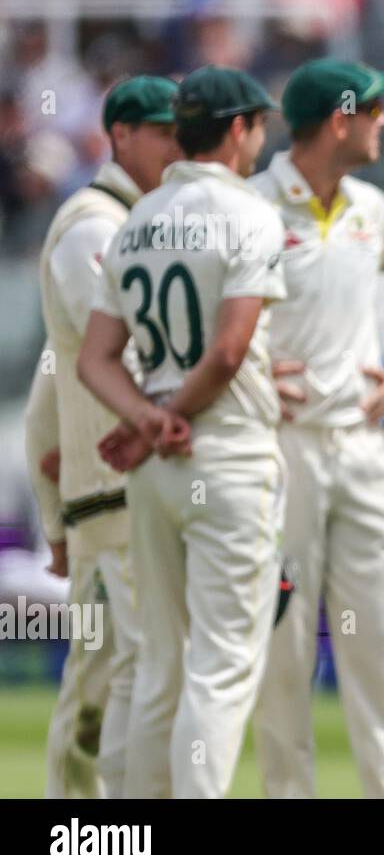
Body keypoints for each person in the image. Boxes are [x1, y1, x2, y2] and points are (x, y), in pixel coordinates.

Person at [78, 65, 287, 798]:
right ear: (238, 130)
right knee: (221, 669)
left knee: (162, 666)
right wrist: (171, 416)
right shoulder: (250, 213)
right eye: (259, 125)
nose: (262, 138)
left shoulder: (136, 219)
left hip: (157, 468)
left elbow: (95, 359)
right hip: (225, 454)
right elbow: (228, 352)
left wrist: (144, 420)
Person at [250, 58, 384, 798]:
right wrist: (245, 378)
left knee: (381, 656)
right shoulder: (253, 207)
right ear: (340, 119)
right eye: (373, 109)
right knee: (282, 654)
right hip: (281, 457)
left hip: (366, 455)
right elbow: (208, 322)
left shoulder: (371, 207)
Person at [27, 75, 180, 797]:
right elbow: (106, 361)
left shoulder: (144, 223)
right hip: (111, 496)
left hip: (124, 495)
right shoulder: (94, 224)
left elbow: (47, 389)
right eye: (165, 131)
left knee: (109, 683)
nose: (181, 146)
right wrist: (58, 516)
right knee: (123, 680)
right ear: (121, 134)